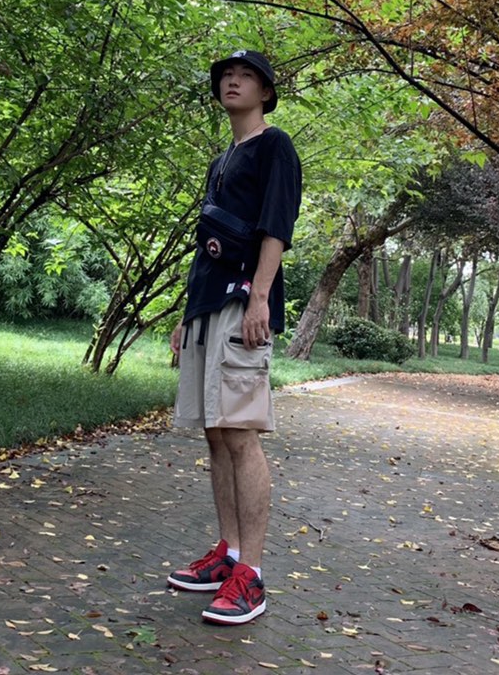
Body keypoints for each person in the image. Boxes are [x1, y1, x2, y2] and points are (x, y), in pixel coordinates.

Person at [167, 49, 302, 626]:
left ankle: (253, 574)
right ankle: (228, 553)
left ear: (265, 92)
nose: (233, 82)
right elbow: (207, 245)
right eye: (226, 75)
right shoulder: (222, 159)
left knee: (242, 435)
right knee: (216, 435)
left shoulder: (276, 146)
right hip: (207, 305)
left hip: (243, 303)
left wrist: (260, 298)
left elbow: (276, 225)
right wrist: (187, 312)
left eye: (245, 76)